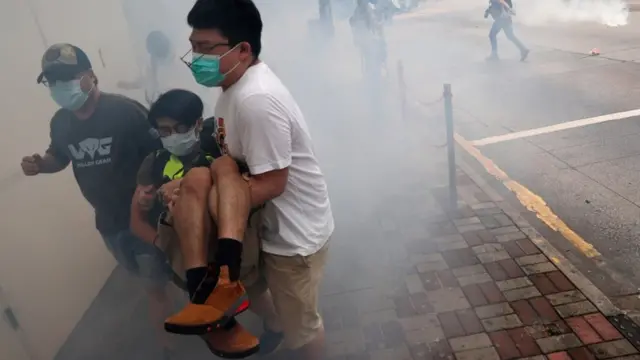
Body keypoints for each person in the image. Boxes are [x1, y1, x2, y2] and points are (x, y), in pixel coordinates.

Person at [165, 0, 335, 358]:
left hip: (292, 239)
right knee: (199, 178)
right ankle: (263, 322)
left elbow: (273, 183)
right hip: (263, 227)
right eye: (193, 47)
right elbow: (239, 165)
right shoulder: (232, 89)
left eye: (205, 48)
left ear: (242, 49)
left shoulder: (255, 100)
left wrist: (206, 206)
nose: (195, 58)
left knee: (303, 329)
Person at [20, 43, 176, 358]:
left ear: (90, 76)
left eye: (68, 77)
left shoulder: (125, 111)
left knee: (157, 286)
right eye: (53, 82)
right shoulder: (61, 123)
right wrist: (41, 164)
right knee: (148, 279)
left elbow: (161, 154)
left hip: (145, 218)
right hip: (108, 224)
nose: (60, 87)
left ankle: (169, 348)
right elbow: (59, 156)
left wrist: (156, 189)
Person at [131, 89, 270, 358]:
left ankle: (273, 324)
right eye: (164, 130)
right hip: (189, 250)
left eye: (179, 127)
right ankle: (217, 324)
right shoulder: (154, 163)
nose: (172, 135)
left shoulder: (221, 145)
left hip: (231, 243)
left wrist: (182, 185)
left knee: (256, 298)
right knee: (209, 309)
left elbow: (253, 186)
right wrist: (163, 243)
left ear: (197, 123)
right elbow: (136, 220)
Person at [117, 30, 215, 115]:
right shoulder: (154, 62)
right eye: (153, 52)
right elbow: (147, 81)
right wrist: (129, 85)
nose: (154, 55)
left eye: (155, 51)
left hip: (192, 107)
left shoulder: (184, 59)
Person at [350, 0, 387, 77]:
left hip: (372, 38)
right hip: (367, 39)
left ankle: (380, 64)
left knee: (380, 48)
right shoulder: (358, 12)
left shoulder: (369, 9)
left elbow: (378, 23)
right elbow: (354, 25)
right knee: (369, 54)